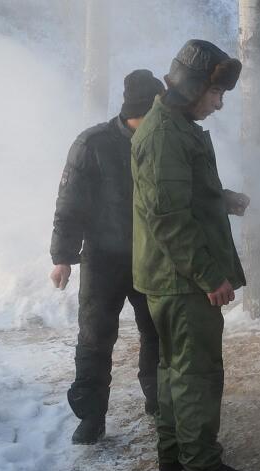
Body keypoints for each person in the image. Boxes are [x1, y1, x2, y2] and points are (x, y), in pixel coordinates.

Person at [131, 39, 253, 471]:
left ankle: (174, 452)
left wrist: (226, 200)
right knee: (197, 371)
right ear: (192, 87)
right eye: (216, 94)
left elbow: (180, 195)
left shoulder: (173, 125)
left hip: (170, 276)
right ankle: (201, 466)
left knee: (172, 367)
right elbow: (169, 218)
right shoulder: (164, 134)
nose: (220, 104)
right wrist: (210, 276)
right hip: (183, 279)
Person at [50, 69, 165, 445]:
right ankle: (92, 417)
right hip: (102, 260)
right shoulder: (92, 143)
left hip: (149, 257)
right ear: (144, 109)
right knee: (95, 339)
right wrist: (63, 256)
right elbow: (70, 203)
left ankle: (158, 398)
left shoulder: (161, 141)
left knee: (157, 332)